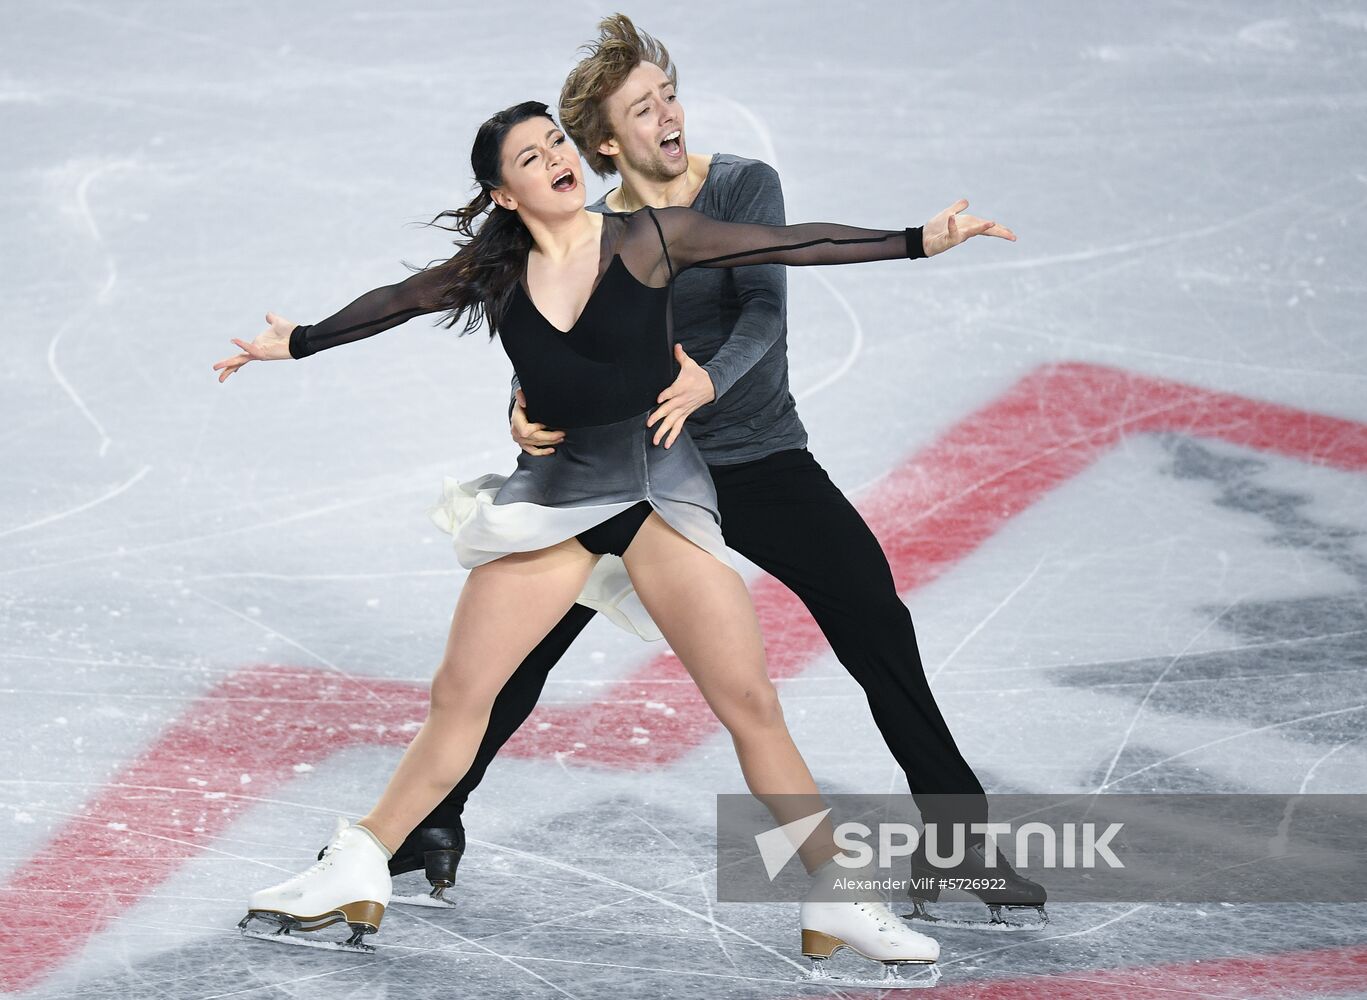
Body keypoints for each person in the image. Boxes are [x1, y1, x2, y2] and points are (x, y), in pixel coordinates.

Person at [213, 96, 1007, 974]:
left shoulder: (647, 238)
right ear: (504, 193)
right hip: (557, 505)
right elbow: (400, 300)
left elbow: (791, 245)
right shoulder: (494, 271)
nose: (555, 156)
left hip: (660, 496)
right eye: (530, 155)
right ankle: (356, 866)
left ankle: (835, 900)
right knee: (460, 698)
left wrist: (913, 240)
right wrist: (303, 342)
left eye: (556, 140)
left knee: (751, 706)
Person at [400, 13, 1048, 930]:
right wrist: (521, 408)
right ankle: (428, 823)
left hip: (756, 456)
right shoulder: (588, 225)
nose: (667, 116)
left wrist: (708, 383)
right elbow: (546, 341)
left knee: (872, 615)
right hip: (637, 474)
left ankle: (958, 848)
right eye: (642, 109)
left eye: (669, 96)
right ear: (603, 143)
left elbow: (765, 309)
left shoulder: (743, 185)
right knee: (524, 653)